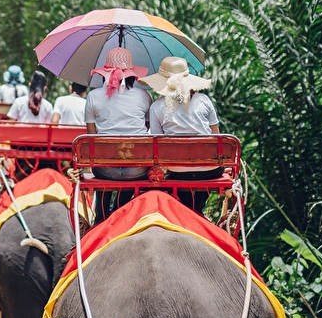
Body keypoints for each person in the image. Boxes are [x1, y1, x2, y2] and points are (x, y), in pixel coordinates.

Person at [140, 56, 221, 214]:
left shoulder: (157, 107)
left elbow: (157, 146)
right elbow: (216, 137)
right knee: (197, 196)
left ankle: (189, 212)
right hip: (210, 169)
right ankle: (197, 212)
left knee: (175, 172)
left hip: (177, 170)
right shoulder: (204, 100)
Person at [84, 47, 151, 221]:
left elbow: (91, 138)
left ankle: (102, 215)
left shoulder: (93, 96)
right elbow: (146, 128)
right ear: (131, 75)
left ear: (103, 73)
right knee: (132, 167)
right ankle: (120, 210)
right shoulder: (144, 96)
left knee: (103, 162)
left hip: (105, 169)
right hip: (137, 169)